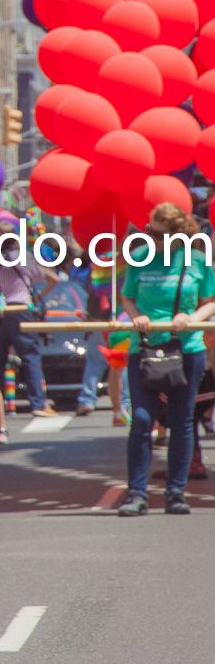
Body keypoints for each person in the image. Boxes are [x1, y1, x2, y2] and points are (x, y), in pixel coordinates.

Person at [118, 202, 215, 516]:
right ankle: (137, 494)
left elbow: (210, 300)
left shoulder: (198, 261)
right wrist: (137, 316)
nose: (147, 236)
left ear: (175, 236)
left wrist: (192, 316)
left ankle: (176, 492)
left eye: (153, 232)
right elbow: (127, 295)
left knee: (181, 420)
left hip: (186, 349)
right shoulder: (140, 259)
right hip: (144, 350)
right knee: (143, 419)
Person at [0, 216, 58, 418]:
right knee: (30, 356)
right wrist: (39, 295)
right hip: (22, 309)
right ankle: (38, 403)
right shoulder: (25, 256)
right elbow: (53, 278)